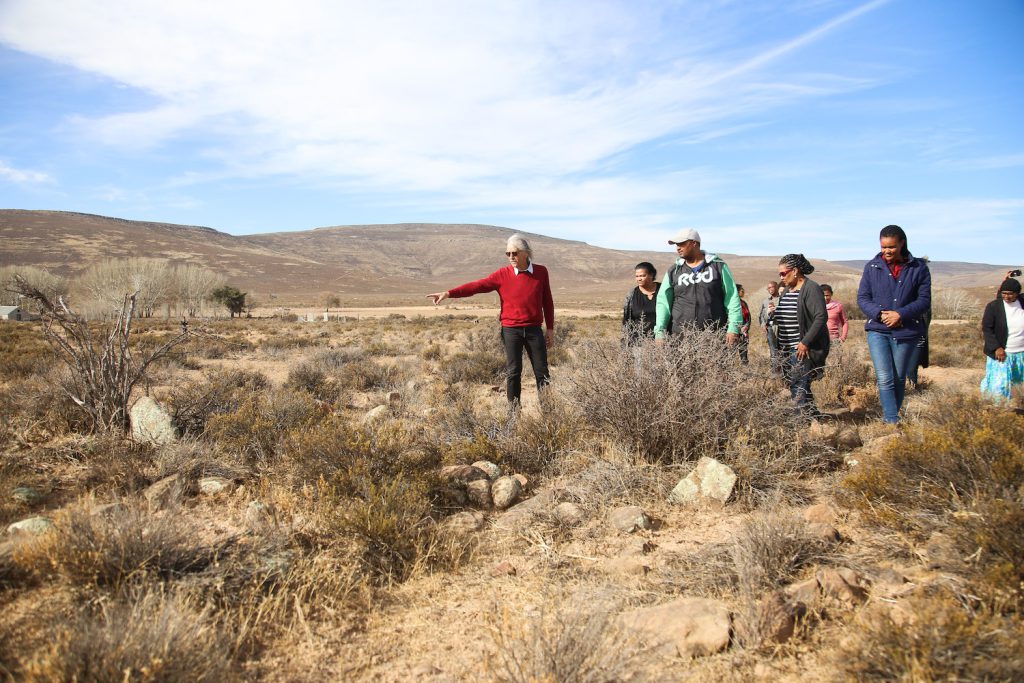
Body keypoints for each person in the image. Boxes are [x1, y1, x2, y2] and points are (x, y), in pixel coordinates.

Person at [427, 234, 554, 405]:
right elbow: (477, 286)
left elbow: (548, 301)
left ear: (525, 253)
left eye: (514, 253)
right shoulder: (502, 275)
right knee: (514, 372)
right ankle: (513, 415)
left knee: (542, 372)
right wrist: (449, 293)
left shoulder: (541, 272)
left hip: (534, 330)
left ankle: (550, 413)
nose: (511, 257)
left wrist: (550, 329)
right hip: (511, 330)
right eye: (507, 254)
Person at [857, 225, 932, 424]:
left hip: (906, 330)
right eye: (883, 247)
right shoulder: (872, 267)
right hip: (878, 330)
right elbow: (863, 298)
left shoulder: (918, 268)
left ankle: (892, 417)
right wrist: (880, 314)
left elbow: (924, 300)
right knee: (884, 377)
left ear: (901, 243)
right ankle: (891, 420)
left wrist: (901, 314)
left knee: (899, 377)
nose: (886, 251)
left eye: (891, 247)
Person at [653, 228, 742, 344]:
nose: (678, 248)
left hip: (714, 337)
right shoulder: (673, 271)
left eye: (681, 244)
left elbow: (731, 298)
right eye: (676, 245)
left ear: (694, 243)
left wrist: (734, 327)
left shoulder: (718, 267)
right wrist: (660, 331)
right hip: (679, 338)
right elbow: (663, 303)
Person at [770, 254, 830, 418]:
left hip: (801, 347)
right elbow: (787, 315)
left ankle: (800, 420)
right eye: (780, 274)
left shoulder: (811, 288)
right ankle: (813, 415)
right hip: (786, 347)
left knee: (798, 383)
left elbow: (821, 317)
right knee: (796, 382)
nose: (781, 277)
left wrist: (805, 342)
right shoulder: (787, 291)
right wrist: (774, 314)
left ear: (795, 271)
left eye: (784, 273)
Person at [980, 278, 1024, 402]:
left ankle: (1016, 411)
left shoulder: (1022, 302)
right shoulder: (994, 306)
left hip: (1021, 354)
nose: (1006, 296)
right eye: (1004, 293)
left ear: (1017, 293)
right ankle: (998, 412)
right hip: (1002, 354)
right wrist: (996, 347)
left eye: (1010, 293)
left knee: (1018, 387)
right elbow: (987, 328)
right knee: (1000, 387)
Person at [622, 262, 661, 345]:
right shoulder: (631, 295)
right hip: (639, 343)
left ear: (651, 275)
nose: (639, 279)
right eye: (637, 276)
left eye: (642, 276)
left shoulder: (663, 291)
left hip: (663, 341)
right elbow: (627, 321)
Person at [759, 281, 781, 371]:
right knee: (773, 350)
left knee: (782, 349)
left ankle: (784, 370)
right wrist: (763, 324)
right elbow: (761, 315)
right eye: (768, 288)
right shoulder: (765, 301)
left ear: (776, 287)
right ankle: (775, 371)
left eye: (772, 287)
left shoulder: (782, 298)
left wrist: (777, 310)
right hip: (770, 328)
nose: (770, 289)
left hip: (780, 327)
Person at [737, 284, 751, 363]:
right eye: (742, 290)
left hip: (744, 332)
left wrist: (746, 327)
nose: (743, 292)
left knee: (744, 353)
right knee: (731, 353)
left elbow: (749, 316)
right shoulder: (732, 303)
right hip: (734, 332)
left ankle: (745, 371)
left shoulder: (744, 303)